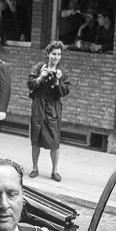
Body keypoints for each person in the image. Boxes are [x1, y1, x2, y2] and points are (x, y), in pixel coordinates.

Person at [27, 40, 71, 181]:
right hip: (39, 104)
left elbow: (65, 91)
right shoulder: (39, 67)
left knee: (54, 140)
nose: (56, 57)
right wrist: (40, 77)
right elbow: (29, 84)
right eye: (53, 54)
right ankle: (35, 168)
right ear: (48, 54)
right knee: (36, 138)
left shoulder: (62, 72)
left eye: (58, 54)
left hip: (53, 107)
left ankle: (55, 171)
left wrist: (58, 81)